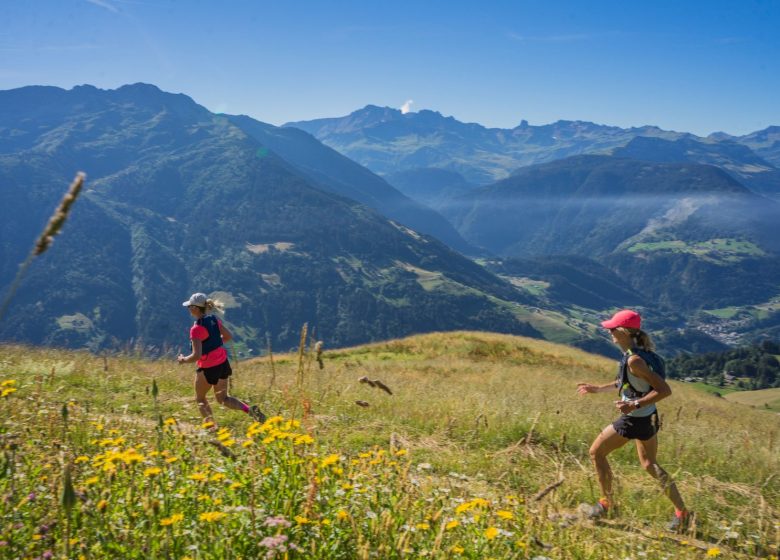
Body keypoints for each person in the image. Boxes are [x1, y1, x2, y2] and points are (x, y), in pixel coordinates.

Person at [577, 309, 690, 531]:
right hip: (649, 418)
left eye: (612, 329)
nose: (609, 332)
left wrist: (633, 405)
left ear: (623, 331)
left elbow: (664, 390)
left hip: (634, 419)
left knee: (596, 452)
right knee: (649, 464)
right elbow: (624, 382)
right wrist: (597, 389)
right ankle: (682, 513)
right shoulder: (638, 354)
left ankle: (606, 503)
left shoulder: (635, 360)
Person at [177, 293, 265, 427]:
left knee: (200, 399)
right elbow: (228, 336)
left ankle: (212, 428)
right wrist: (215, 345)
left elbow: (197, 355)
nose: (188, 308)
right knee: (223, 398)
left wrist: (183, 360)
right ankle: (250, 410)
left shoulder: (196, 329)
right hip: (223, 363)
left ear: (195, 308)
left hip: (207, 368)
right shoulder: (213, 319)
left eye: (190, 306)